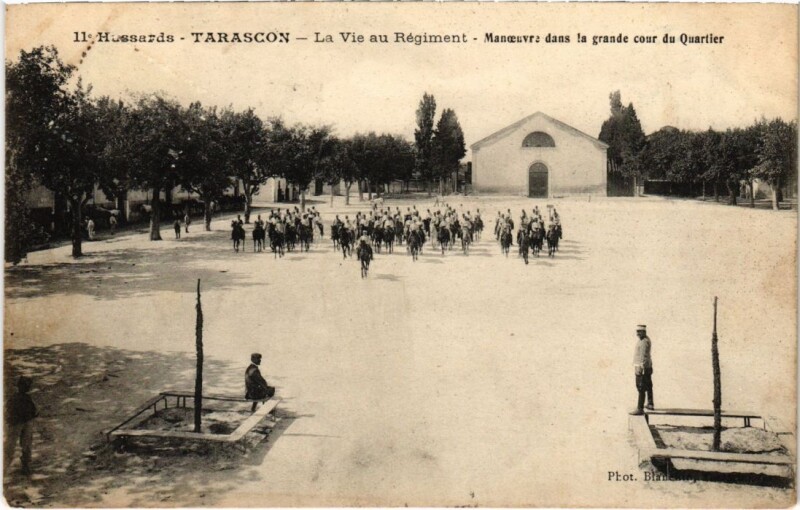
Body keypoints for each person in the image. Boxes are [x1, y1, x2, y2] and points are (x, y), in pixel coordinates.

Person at [4, 376, 37, 476]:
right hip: (17, 424)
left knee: (24, 445)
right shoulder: (18, 399)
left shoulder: (23, 398)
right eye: (25, 386)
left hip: (24, 423)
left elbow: (33, 411)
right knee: (13, 446)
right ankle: (4, 467)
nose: (27, 388)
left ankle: (25, 466)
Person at [630, 325, 654, 415]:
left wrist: (640, 367)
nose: (637, 333)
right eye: (637, 331)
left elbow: (643, 355)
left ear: (644, 332)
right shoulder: (645, 339)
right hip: (647, 366)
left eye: (639, 332)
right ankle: (650, 403)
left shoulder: (644, 341)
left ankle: (640, 408)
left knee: (641, 387)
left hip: (642, 367)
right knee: (648, 385)